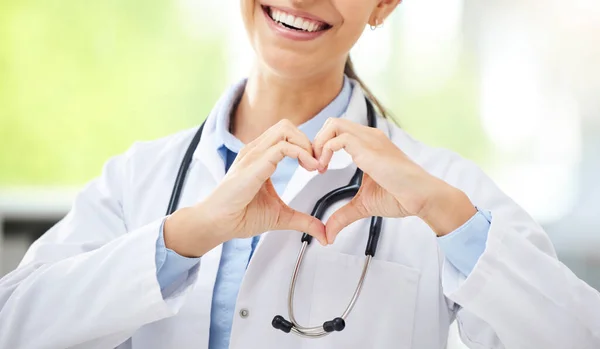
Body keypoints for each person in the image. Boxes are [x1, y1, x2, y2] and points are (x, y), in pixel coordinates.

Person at [1, 0, 599, 348]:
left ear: (385, 4)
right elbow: (14, 323)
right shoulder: (139, 179)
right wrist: (183, 238)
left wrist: (449, 217)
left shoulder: (442, 188)